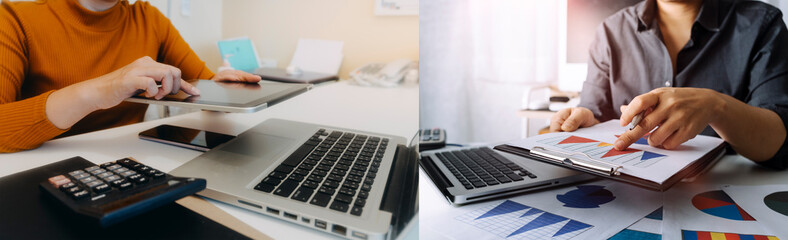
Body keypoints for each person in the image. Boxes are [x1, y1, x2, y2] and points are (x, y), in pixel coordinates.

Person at [549, 0, 788, 169]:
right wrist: (584, 120)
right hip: (626, 192)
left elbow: (779, 143)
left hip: (727, 194)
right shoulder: (610, 31)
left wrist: (716, 106)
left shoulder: (762, 24)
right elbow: (595, 114)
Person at [0, 0, 262, 152]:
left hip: (133, 167)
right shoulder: (15, 18)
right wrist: (97, 91)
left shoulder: (149, 19)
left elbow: (201, 87)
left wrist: (222, 89)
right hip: (44, 173)